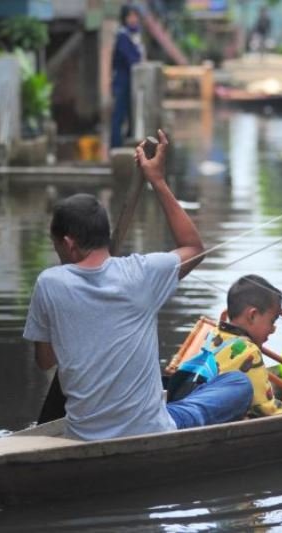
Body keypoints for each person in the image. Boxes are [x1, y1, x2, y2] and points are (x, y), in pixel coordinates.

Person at [24, 131, 253, 440]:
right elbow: (194, 248)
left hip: (85, 434)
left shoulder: (50, 284)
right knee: (239, 385)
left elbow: (45, 360)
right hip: (152, 430)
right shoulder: (142, 273)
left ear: (68, 243)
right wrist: (157, 180)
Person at [167, 275, 282, 417]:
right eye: (272, 321)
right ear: (252, 315)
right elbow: (264, 407)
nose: (273, 329)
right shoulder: (249, 352)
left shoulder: (214, 335)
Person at [110, 4, 146, 148]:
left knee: (132, 113)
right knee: (119, 114)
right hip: (122, 80)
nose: (133, 19)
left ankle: (128, 143)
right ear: (124, 18)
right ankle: (116, 147)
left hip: (132, 80)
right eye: (130, 16)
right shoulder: (123, 36)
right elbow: (132, 59)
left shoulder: (136, 35)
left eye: (135, 16)